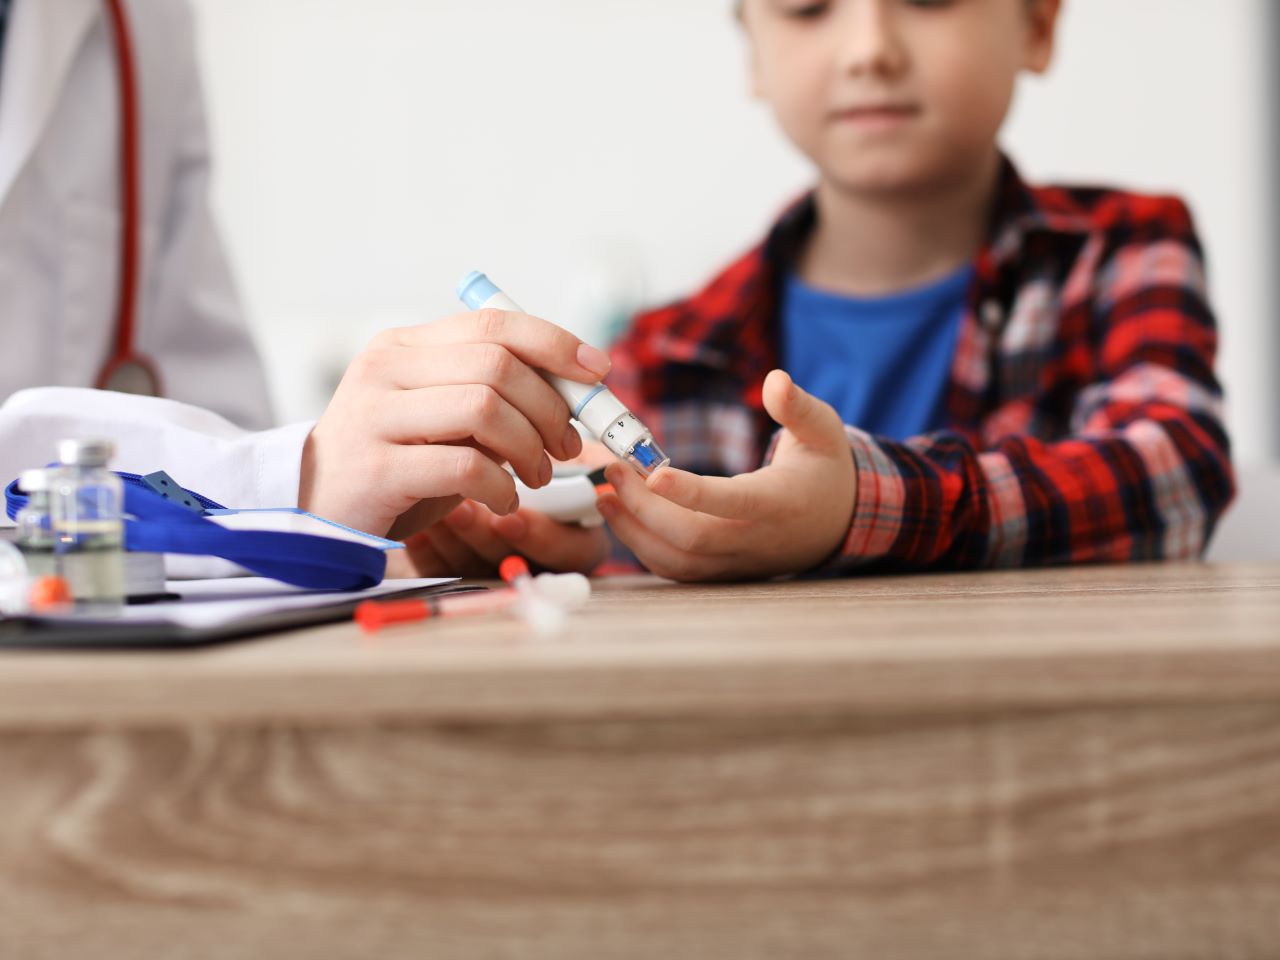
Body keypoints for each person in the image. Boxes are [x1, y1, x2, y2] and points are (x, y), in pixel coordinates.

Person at [424, 0, 1235, 581]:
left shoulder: (1119, 251)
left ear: (1040, 24)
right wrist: (583, 544)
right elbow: (633, 523)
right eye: (810, 7)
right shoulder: (672, 345)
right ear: (752, 52)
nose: (868, 48)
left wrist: (863, 507)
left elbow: (1176, 473)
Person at [0, 0, 609, 550]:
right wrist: (296, 476)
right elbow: (258, 476)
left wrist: (358, 531)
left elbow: (209, 399)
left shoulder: (141, 19)